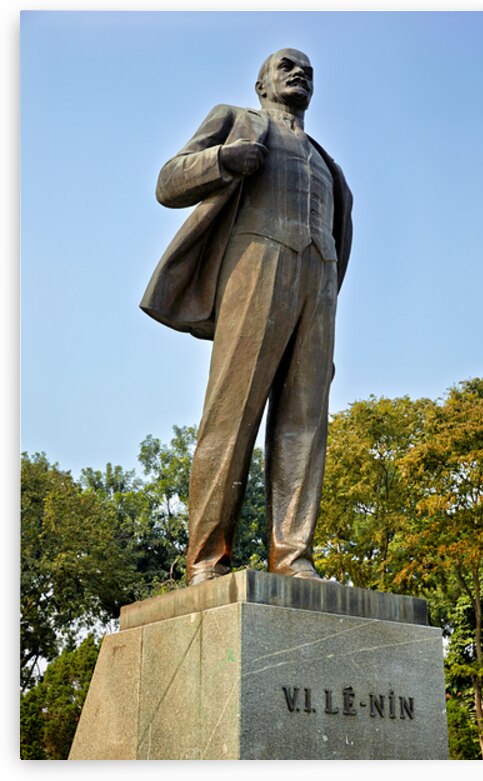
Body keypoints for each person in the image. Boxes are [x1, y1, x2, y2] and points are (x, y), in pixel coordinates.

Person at [141, 48, 353, 586]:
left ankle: (293, 554)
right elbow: (168, 182)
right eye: (287, 65)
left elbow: (340, 234)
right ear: (262, 83)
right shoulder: (236, 121)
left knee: (305, 421)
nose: (300, 72)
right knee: (231, 413)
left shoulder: (330, 164)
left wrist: (326, 293)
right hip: (256, 263)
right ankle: (207, 559)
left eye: (308, 69)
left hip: (319, 281)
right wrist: (221, 161)